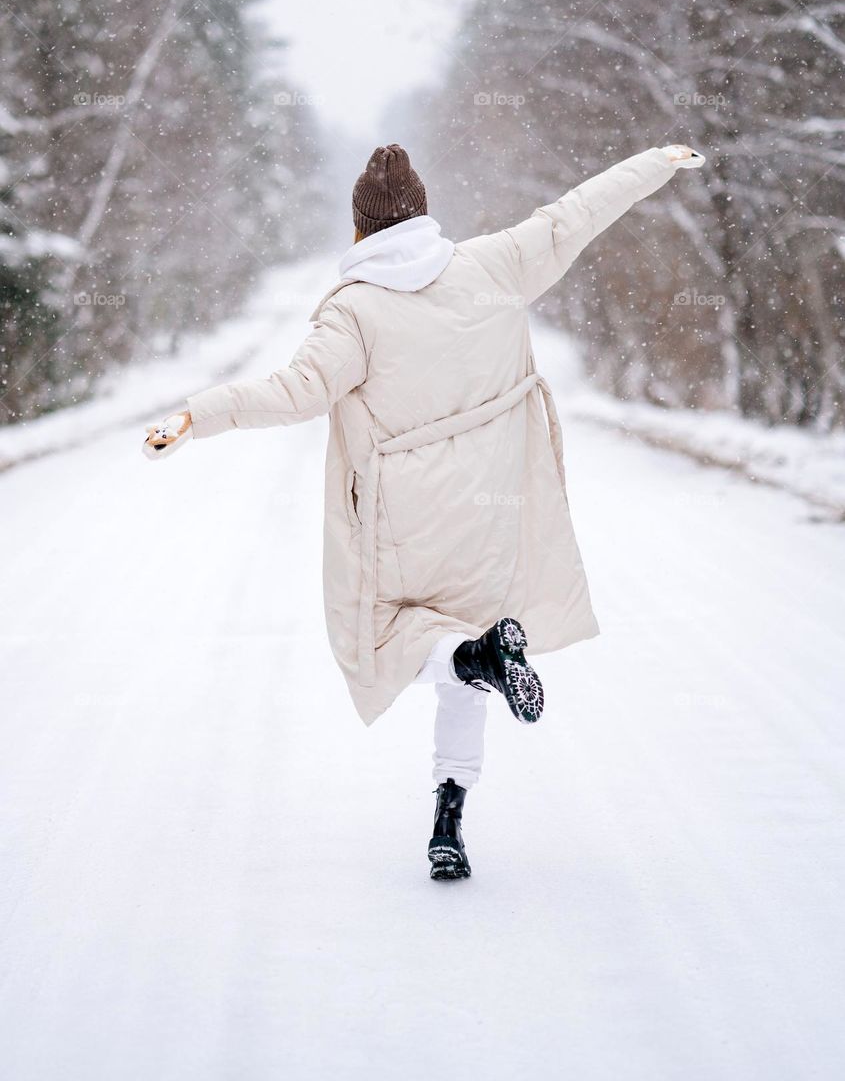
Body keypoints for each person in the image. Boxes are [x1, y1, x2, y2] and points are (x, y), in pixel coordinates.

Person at [143, 141, 705, 880]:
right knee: (467, 647)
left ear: (357, 231)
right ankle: (451, 808)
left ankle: (474, 674)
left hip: (406, 518)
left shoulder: (353, 314)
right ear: (424, 213)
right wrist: (656, 162)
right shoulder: (493, 263)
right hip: (492, 505)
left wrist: (195, 415)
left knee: (382, 642)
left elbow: (293, 393)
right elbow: (575, 215)